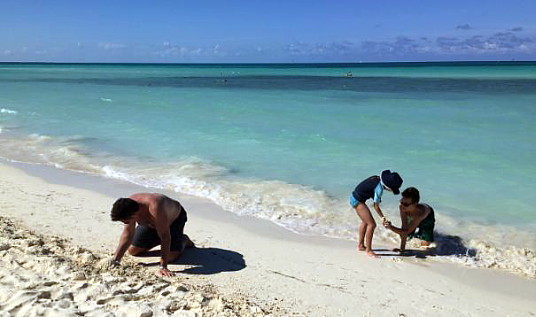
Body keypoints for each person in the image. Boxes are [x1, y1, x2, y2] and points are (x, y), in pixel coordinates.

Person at [110, 193, 194, 277]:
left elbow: (165, 237)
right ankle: (158, 235)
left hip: (174, 220)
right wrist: (116, 259)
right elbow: (128, 233)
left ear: (136, 213)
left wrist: (163, 266)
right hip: (151, 224)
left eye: (126, 221)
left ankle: (183, 240)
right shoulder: (128, 206)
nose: (125, 223)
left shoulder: (155, 207)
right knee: (132, 250)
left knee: (170, 257)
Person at [350, 170, 403, 257]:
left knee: (365, 222)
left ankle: (360, 245)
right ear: (388, 187)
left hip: (354, 197)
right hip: (358, 201)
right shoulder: (379, 189)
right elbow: (376, 206)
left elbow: (367, 188)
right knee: (372, 224)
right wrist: (383, 218)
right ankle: (369, 250)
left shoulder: (376, 178)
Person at [383, 187, 435, 252]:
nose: (402, 205)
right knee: (405, 237)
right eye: (401, 202)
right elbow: (404, 228)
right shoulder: (402, 207)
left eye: (406, 204)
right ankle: (414, 229)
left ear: (415, 204)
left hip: (427, 218)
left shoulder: (420, 214)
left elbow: (406, 231)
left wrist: (390, 227)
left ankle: (419, 230)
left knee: (425, 245)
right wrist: (402, 249)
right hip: (413, 214)